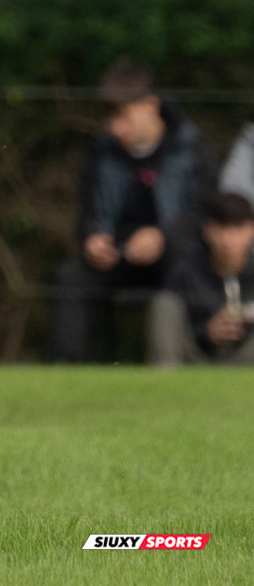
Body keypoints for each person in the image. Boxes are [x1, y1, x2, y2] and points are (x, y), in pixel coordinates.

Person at [48, 59, 212, 363]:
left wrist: (163, 237)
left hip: (174, 253)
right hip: (119, 255)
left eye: (123, 115)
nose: (115, 127)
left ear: (150, 106)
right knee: (72, 276)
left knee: (188, 268)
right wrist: (92, 239)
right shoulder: (103, 151)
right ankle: (66, 371)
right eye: (109, 117)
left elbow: (205, 212)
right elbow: (89, 213)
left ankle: (181, 363)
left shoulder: (190, 146)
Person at [149, 192, 254, 366]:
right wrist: (206, 333)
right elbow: (173, 323)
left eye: (238, 228)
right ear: (207, 229)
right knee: (164, 303)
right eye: (222, 228)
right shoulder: (186, 269)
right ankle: (164, 376)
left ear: (251, 229)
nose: (229, 239)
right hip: (195, 358)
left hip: (247, 360)